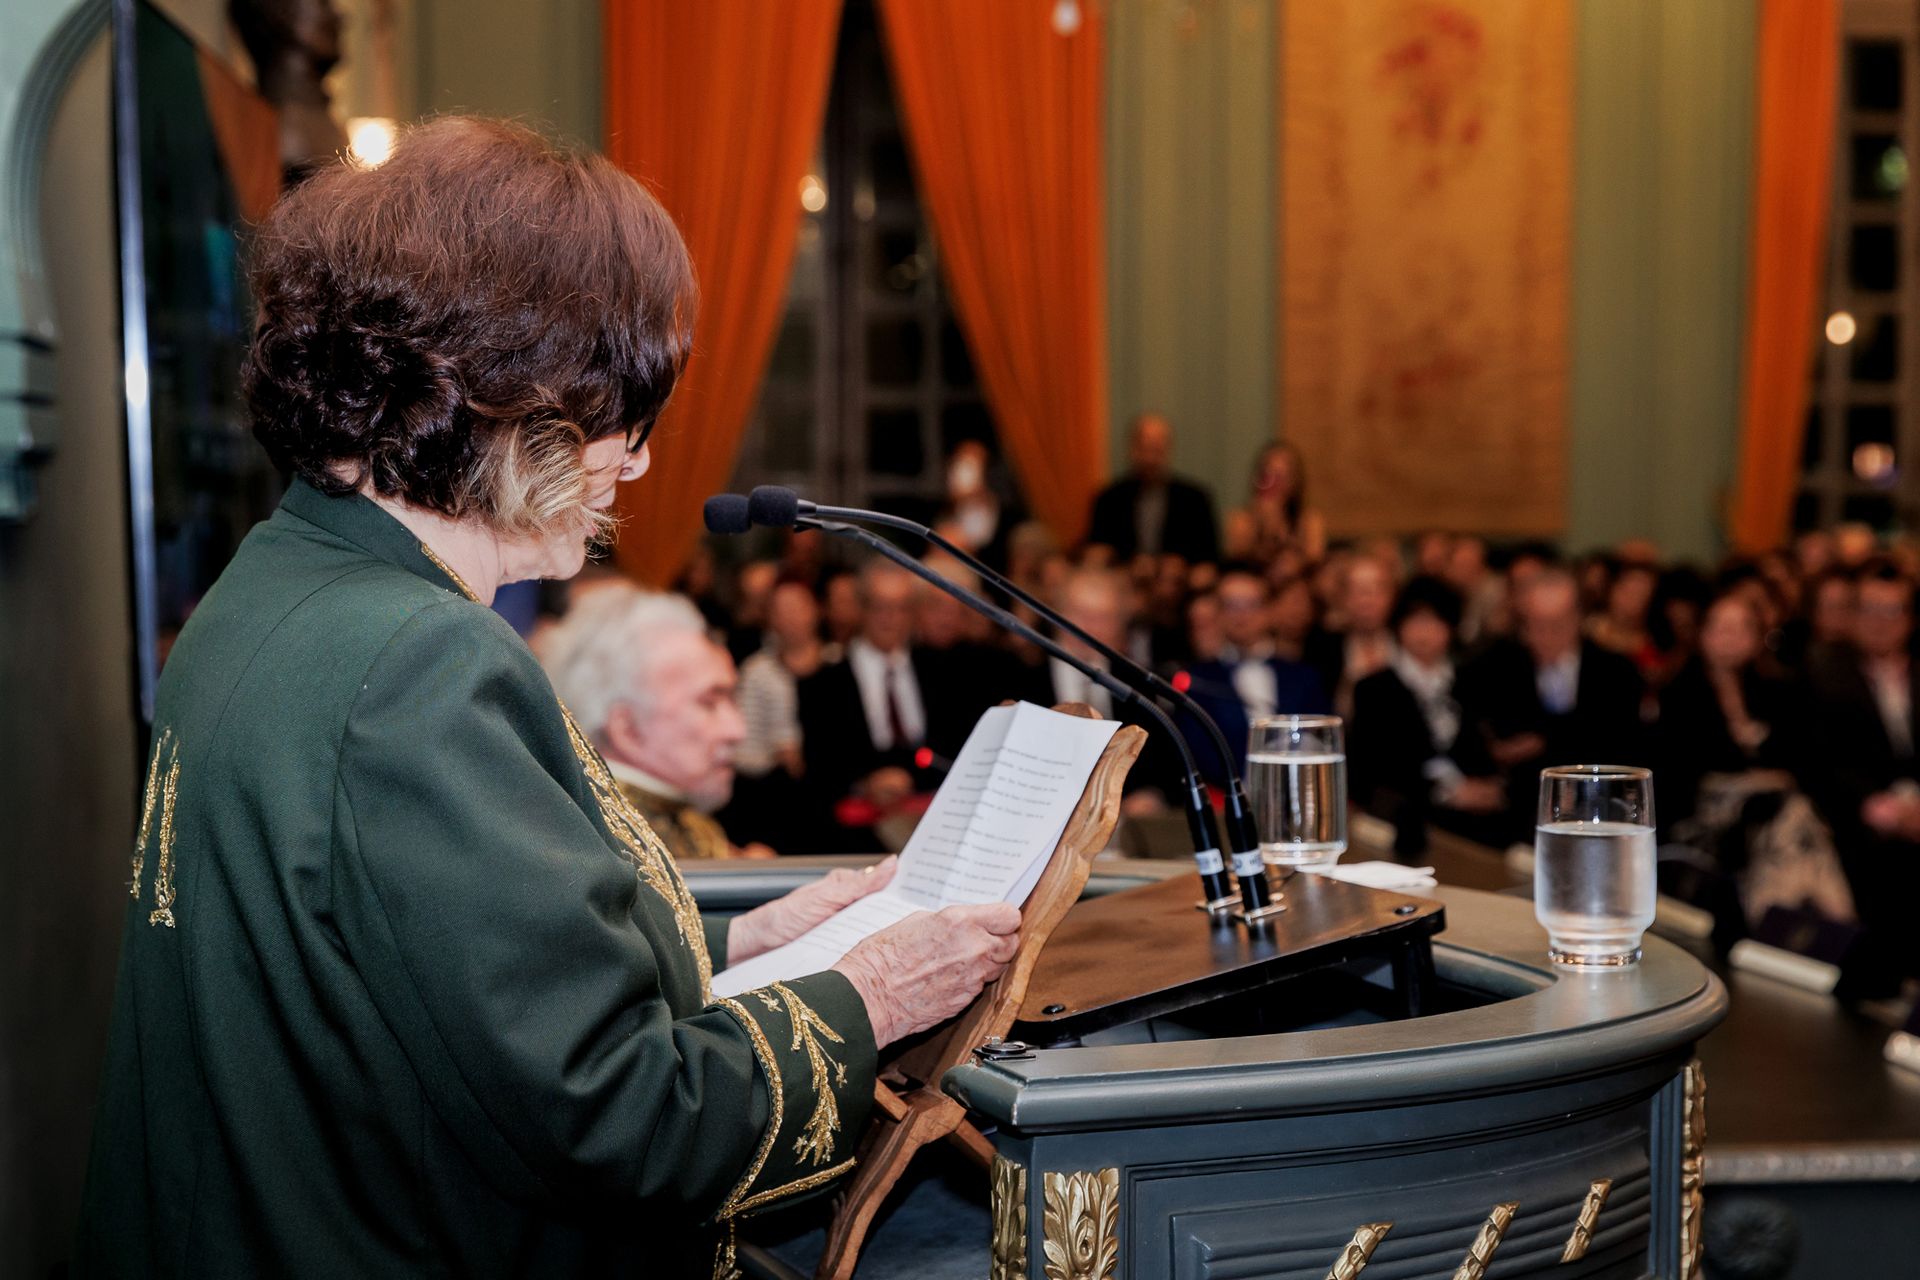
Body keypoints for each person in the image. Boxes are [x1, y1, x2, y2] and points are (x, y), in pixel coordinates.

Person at [77, 119, 1020, 1277]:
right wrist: (868, 993)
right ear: (517, 395)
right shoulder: (418, 661)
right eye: (630, 419)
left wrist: (738, 939)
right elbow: (621, 1121)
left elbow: (434, 960)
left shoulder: (273, 585)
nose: (639, 463)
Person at [543, 588, 775, 862]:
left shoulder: (687, 828)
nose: (737, 730)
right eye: (709, 703)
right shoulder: (597, 850)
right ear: (627, 729)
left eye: (732, 700)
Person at [1457, 567, 1646, 841]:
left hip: (1597, 814)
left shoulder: (1616, 673)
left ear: (1578, 618)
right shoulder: (1492, 667)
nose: (1546, 636)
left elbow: (1621, 747)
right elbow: (1480, 740)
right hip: (1512, 817)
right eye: (1535, 624)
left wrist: (1545, 742)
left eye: (1557, 625)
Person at [1800, 562, 1920, 969]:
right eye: (1869, 609)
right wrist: (1877, 806)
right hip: (1854, 822)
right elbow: (1819, 759)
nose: (1880, 622)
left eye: (1892, 610)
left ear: (1910, 618)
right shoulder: (1824, 670)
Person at [797, 562, 964, 838]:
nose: (891, 618)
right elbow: (818, 769)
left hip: (934, 824)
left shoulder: (942, 673)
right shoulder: (824, 684)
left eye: (901, 608)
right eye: (880, 607)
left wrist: (912, 780)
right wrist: (865, 785)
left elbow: (954, 752)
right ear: (861, 608)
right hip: (852, 833)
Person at [1350, 578, 1505, 854]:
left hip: (1475, 821)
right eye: (1415, 621)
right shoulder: (1374, 688)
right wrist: (1447, 791)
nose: (1424, 632)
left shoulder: (1470, 682)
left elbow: (1481, 749)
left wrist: (1489, 787)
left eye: (1435, 622)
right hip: (1408, 820)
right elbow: (1372, 769)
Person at [1180, 566, 1328, 784]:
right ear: (1218, 613)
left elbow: (1320, 742)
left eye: (1251, 605)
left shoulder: (1303, 677)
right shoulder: (1197, 680)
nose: (1242, 616)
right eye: (1231, 605)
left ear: (1270, 610)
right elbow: (1195, 752)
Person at [1084, 413, 1220, 564]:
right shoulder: (1109, 499)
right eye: (1145, 449)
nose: (1150, 458)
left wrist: (1181, 566)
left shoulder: (1194, 500)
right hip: (1122, 575)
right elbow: (1096, 547)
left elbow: (1209, 557)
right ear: (1132, 449)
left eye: (1157, 449)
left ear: (1168, 449)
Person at [1222, 441, 1326, 563]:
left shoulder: (1308, 520)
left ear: (1295, 482)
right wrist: (1264, 525)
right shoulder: (1241, 520)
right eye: (1268, 475)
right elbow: (1236, 558)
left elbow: (1314, 557)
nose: (1274, 484)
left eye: (1282, 477)